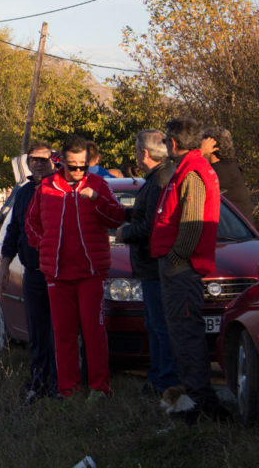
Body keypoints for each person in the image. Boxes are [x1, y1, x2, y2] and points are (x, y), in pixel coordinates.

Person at [26, 135, 126, 400]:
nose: (79, 171)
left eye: (83, 166)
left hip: (90, 272)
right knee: (64, 334)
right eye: (73, 166)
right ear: (62, 162)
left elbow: (116, 217)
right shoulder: (46, 187)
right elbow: (31, 223)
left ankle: (99, 388)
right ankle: (68, 389)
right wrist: (43, 244)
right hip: (57, 273)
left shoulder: (99, 184)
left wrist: (96, 199)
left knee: (94, 332)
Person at [151, 116, 227, 421]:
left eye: (166, 139)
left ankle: (200, 404)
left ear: (174, 142)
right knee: (183, 334)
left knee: (186, 335)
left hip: (182, 269)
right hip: (181, 267)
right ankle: (196, 401)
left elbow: (193, 223)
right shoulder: (192, 167)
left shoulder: (192, 172)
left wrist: (175, 258)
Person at [117, 130, 179, 396]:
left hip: (155, 265)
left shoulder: (158, 182)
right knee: (155, 325)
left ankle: (164, 380)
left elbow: (152, 226)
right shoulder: (160, 178)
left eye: (136, 150)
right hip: (154, 264)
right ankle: (158, 376)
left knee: (160, 326)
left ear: (144, 153)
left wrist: (125, 232)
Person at [0, 142, 59, 403]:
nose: (38, 164)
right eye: (34, 160)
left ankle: (59, 384)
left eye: (44, 160)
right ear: (27, 162)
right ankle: (38, 381)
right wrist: (3, 265)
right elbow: (13, 231)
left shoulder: (61, 190)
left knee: (58, 332)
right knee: (36, 330)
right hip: (31, 271)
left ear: (53, 162)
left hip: (57, 273)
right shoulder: (23, 193)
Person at [200, 125, 254, 225]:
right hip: (236, 233)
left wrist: (201, 152)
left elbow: (186, 177)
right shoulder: (229, 167)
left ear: (212, 147)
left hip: (233, 236)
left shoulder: (221, 171)